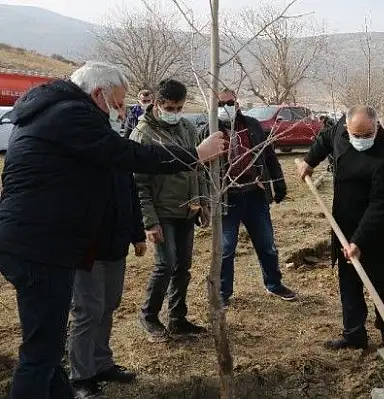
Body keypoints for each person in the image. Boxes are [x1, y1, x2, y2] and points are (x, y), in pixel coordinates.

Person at [0, 61, 226, 399]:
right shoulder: (70, 115)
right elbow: (128, 155)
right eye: (118, 103)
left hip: (39, 240)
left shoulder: (53, 111)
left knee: (47, 348)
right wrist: (193, 155)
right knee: (40, 353)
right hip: (40, 246)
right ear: (96, 94)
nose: (121, 111)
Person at [297, 105, 384, 349]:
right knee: (348, 279)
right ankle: (354, 333)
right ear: (347, 128)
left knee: (380, 280)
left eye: (368, 134)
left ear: (377, 126)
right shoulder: (339, 132)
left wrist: (359, 240)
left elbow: (381, 206)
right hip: (343, 220)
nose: (363, 139)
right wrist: (309, 160)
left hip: (375, 228)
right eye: (357, 135)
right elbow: (324, 138)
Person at [132, 79, 211, 341]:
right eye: (170, 107)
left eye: (179, 107)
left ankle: (177, 318)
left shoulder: (187, 128)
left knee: (183, 267)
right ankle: (149, 315)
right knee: (165, 264)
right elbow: (138, 184)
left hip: (187, 209)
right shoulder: (144, 134)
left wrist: (202, 203)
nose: (175, 112)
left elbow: (197, 168)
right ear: (156, 104)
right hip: (161, 211)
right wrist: (149, 221)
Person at [204, 89, 296, 306]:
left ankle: (274, 284)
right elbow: (200, 168)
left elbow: (269, 156)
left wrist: (278, 183)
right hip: (226, 198)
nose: (226, 107)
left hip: (254, 194)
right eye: (220, 103)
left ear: (237, 103)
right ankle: (223, 294)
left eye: (230, 102)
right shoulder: (208, 131)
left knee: (267, 244)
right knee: (226, 250)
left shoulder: (252, 125)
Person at [68, 159, 147, 397]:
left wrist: (137, 234)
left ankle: (102, 363)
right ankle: (81, 376)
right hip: (87, 251)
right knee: (87, 311)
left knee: (108, 306)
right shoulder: (78, 157)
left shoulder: (119, 159)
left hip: (116, 247)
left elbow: (132, 198)